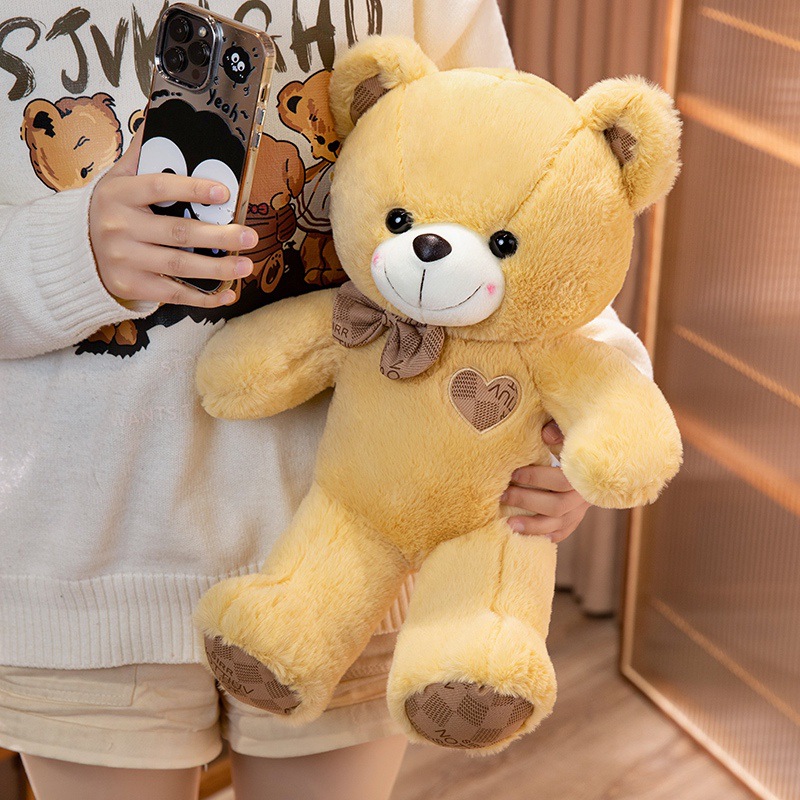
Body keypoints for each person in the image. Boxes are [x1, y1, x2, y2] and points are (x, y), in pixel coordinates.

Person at [0, 1, 652, 798]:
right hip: (81, 567)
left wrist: (585, 412)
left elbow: (525, 183)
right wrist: (75, 256)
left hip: (354, 555)